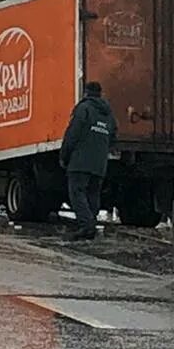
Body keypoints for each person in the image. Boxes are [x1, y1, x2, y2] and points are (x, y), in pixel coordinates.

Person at [60, 80, 116, 240]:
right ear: (100, 93)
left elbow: (72, 135)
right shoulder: (108, 114)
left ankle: (87, 226)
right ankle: (90, 223)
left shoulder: (83, 109)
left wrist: (64, 156)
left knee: (77, 192)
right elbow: (113, 136)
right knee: (93, 193)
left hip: (80, 162)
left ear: (86, 92)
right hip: (99, 164)